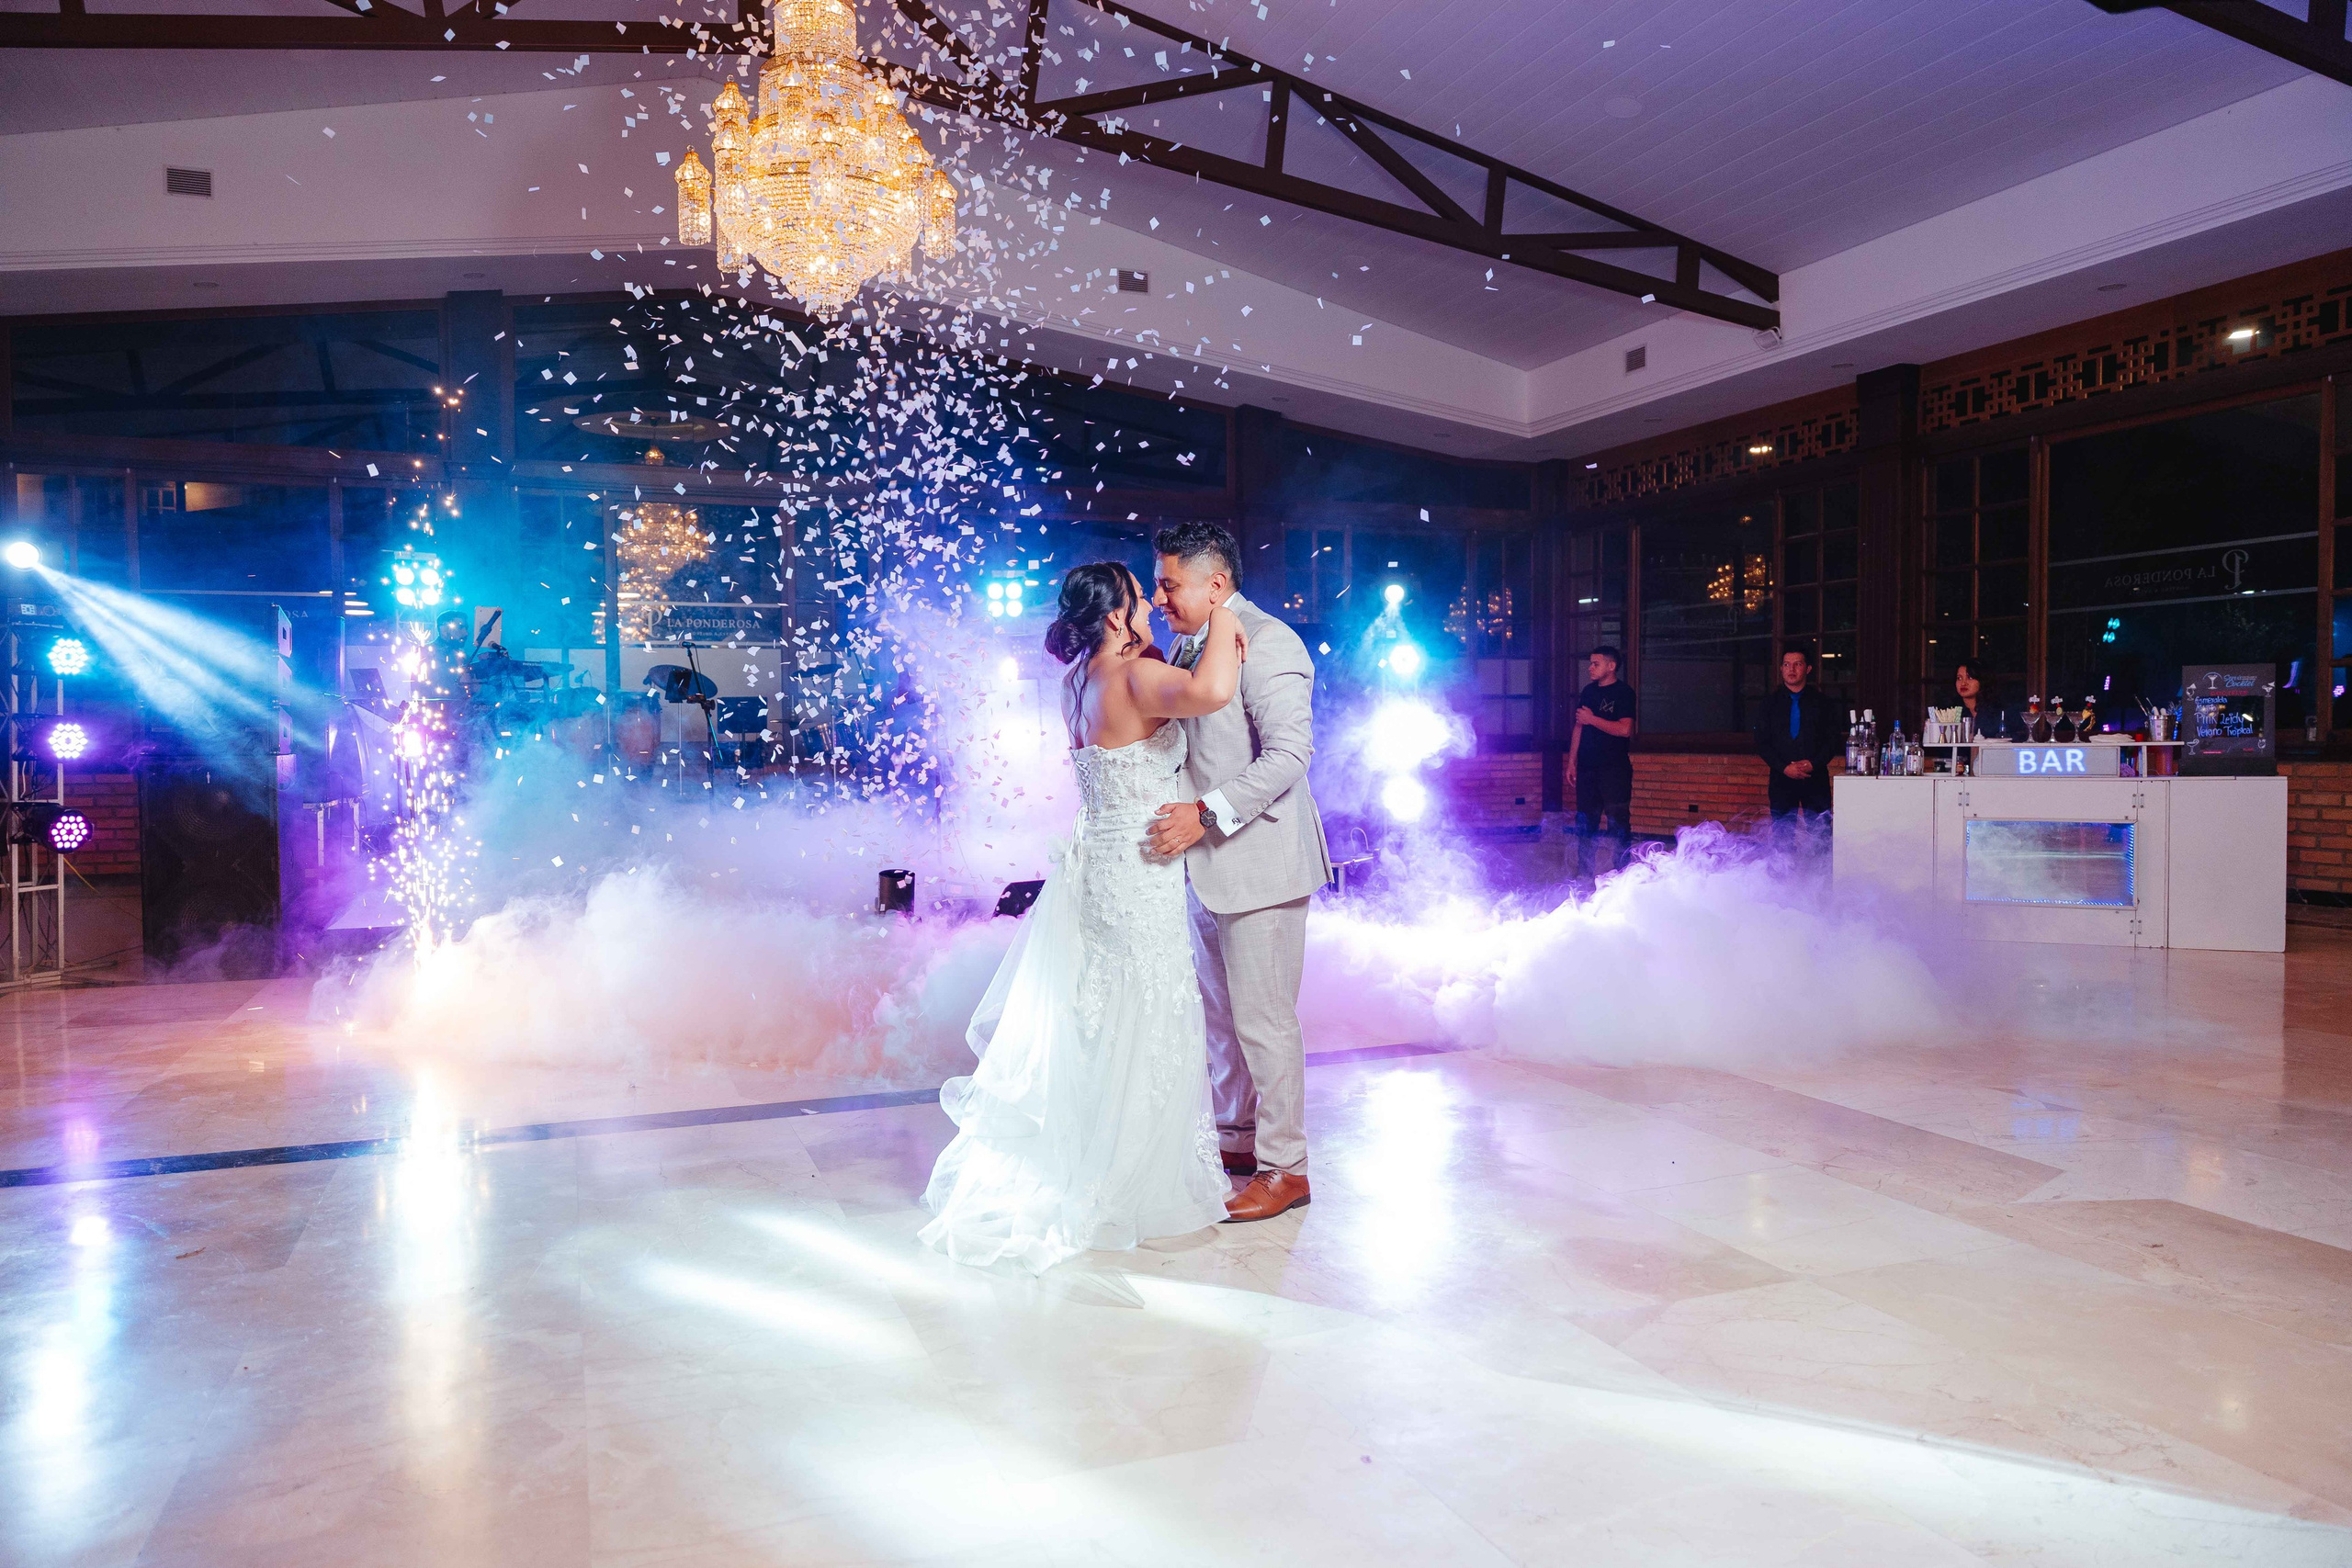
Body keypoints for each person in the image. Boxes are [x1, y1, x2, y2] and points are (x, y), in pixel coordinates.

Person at [920, 562, 1247, 1273]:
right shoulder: (1134, 678)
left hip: (1097, 863)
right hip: (1139, 866)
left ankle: (1089, 1160)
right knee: (1147, 1013)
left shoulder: (1078, 681)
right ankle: (1124, 1179)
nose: (1153, 604)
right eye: (1140, 597)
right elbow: (1214, 690)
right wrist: (1219, 610)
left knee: (1101, 1016)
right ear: (1113, 615)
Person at [1146, 521, 1335, 1224]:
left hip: (1261, 860)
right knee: (1222, 1020)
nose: (1161, 598)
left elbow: (1289, 755)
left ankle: (1286, 1169)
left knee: (1264, 1021)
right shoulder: (1191, 642)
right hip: (1205, 863)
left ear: (1216, 584)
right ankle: (1239, 1139)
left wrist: (1206, 813)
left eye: (1169, 584)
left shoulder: (1273, 641)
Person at [1566, 645, 1636, 880]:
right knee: (1585, 824)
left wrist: (1592, 719)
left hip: (1614, 770)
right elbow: (1579, 726)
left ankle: (1623, 875)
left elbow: (1625, 729)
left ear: (1611, 666)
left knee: (1618, 824)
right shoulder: (1588, 692)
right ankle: (1584, 875)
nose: (1590, 667)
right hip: (1587, 769)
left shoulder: (1623, 693)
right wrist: (1572, 761)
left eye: (1596, 663)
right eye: (1590, 663)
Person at [1756, 640, 1840, 819]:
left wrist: (1813, 764)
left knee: (1820, 835)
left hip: (1815, 778)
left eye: (1797, 664)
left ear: (1808, 669)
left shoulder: (1823, 703)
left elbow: (1832, 741)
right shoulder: (1769, 704)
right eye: (1786, 665)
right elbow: (1762, 742)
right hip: (1781, 779)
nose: (1791, 669)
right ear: (1781, 669)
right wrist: (1784, 767)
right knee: (1782, 838)